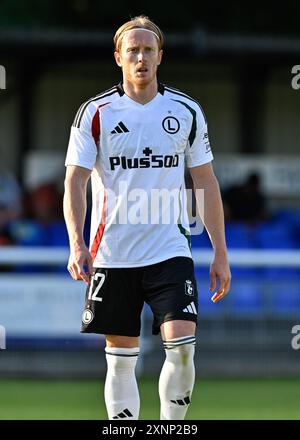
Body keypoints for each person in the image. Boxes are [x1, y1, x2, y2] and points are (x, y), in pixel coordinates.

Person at [63, 15, 231, 420]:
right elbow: (75, 183)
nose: (141, 57)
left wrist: (220, 253)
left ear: (160, 57)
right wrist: (77, 243)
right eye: (133, 50)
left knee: (183, 347)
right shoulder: (94, 113)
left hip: (169, 250)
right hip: (113, 254)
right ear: (119, 56)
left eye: (148, 50)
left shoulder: (185, 111)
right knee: (121, 361)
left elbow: (205, 181)